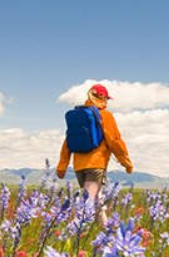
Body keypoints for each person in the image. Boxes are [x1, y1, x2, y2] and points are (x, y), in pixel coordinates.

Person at [56, 83, 133, 222]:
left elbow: (67, 143)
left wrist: (62, 167)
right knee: (89, 203)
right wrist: (127, 163)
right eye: (106, 99)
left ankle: (106, 235)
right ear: (103, 98)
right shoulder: (105, 116)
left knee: (95, 200)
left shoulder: (80, 116)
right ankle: (74, 234)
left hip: (79, 167)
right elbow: (115, 141)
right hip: (96, 166)